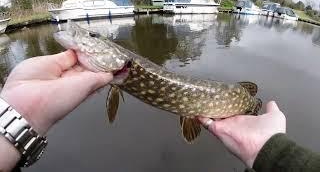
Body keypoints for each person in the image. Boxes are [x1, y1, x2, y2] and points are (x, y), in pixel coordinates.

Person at [0, 50, 319, 172]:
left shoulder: (249, 100)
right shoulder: (121, 74)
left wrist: (271, 150)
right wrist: (23, 110)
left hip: (233, 102)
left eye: (94, 41)